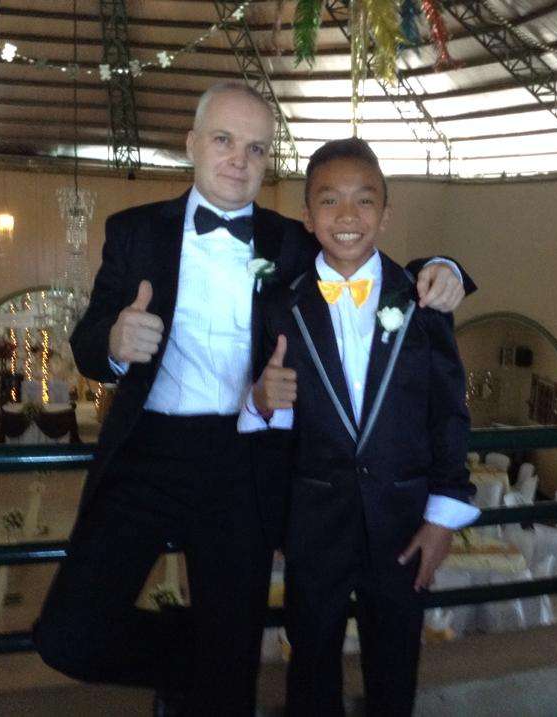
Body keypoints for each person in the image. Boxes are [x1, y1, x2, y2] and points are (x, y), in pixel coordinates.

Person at [32, 82, 472, 716]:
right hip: (148, 452)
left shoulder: (292, 239)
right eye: (223, 140)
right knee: (68, 633)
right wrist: (114, 343)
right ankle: (194, 660)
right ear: (192, 144)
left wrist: (446, 269)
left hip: (248, 456)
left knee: (230, 684)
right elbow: (87, 342)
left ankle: (217, 666)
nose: (239, 160)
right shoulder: (134, 232)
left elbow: (367, 252)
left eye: (257, 148)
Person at [245, 137, 479, 716]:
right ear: (307, 216)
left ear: (386, 213)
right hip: (313, 526)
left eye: (364, 200)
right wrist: (261, 402)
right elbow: (268, 420)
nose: (347, 215)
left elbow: (448, 413)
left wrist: (443, 518)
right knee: (310, 666)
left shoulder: (423, 299)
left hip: (404, 524)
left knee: (396, 666)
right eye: (329, 201)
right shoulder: (278, 306)